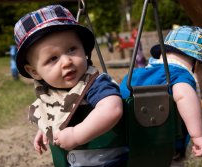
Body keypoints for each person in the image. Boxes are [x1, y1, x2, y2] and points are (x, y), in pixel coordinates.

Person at [14, 5, 127, 167]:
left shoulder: (94, 84)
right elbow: (58, 113)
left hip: (109, 160)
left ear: (84, 50)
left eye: (72, 49)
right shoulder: (52, 92)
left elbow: (112, 109)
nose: (67, 62)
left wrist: (76, 134)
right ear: (34, 72)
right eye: (53, 59)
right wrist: (46, 129)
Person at [120, 25, 202, 158]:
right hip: (166, 150)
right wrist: (198, 135)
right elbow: (184, 95)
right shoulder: (181, 77)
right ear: (198, 64)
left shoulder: (135, 75)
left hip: (129, 147)